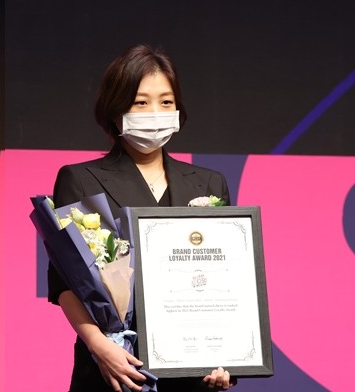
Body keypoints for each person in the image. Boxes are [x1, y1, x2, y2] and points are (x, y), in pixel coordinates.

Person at [49, 44, 237, 392]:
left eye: (166, 102)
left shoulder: (209, 184)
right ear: (115, 109)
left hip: (191, 373)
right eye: (141, 103)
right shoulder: (81, 179)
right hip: (114, 369)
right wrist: (100, 346)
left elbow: (226, 279)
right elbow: (65, 282)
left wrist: (225, 358)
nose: (155, 113)